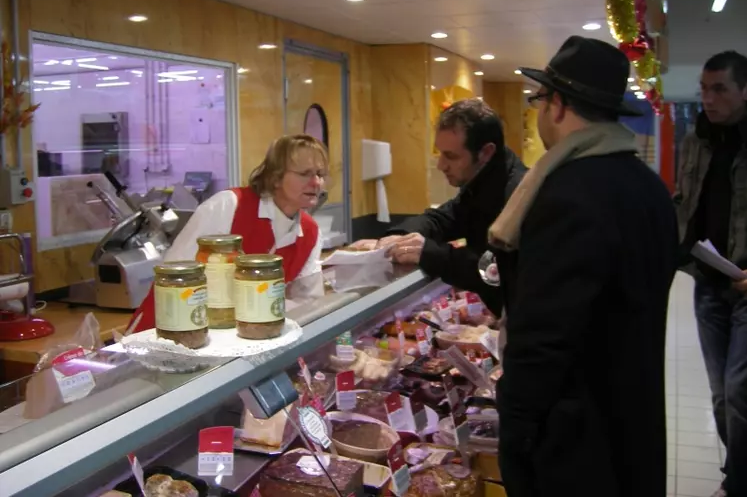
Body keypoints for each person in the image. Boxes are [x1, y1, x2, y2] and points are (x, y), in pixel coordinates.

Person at [487, 36, 678, 497]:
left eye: (539, 99)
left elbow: (543, 337)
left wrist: (515, 434)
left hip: (577, 440)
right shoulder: (649, 187)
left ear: (557, 105)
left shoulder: (568, 194)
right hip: (632, 415)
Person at [127, 134, 327, 333]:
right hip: (166, 330)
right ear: (276, 177)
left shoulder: (310, 233)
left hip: (236, 341)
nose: (316, 182)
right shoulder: (229, 206)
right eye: (305, 174)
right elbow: (174, 277)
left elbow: (307, 303)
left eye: (320, 174)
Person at [351, 98, 526, 314]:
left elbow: (495, 271)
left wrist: (430, 253)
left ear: (486, 153)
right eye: (440, 153)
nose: (441, 165)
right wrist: (400, 236)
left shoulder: (518, 194)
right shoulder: (479, 183)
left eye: (450, 156)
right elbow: (442, 218)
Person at [674, 50, 747, 497]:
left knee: (740, 392)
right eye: (704, 88)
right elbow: (687, 202)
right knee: (722, 396)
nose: (708, 98)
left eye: (719, 88)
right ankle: (735, 475)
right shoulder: (695, 140)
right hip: (708, 281)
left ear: (744, 90)